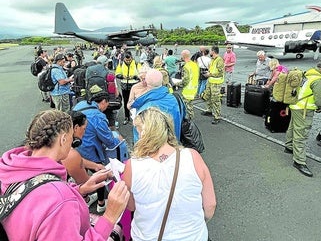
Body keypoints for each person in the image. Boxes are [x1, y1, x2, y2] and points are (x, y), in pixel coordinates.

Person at [0, 109, 130, 240]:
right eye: (71, 138)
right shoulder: (60, 200)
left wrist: (80, 190)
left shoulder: (12, 167)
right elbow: (54, 202)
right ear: (63, 139)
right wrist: (110, 216)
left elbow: (34, 200)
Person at [123, 107, 216, 241]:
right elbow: (210, 205)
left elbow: (131, 206)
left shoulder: (132, 165)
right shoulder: (193, 157)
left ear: (144, 133)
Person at [73, 87, 128, 213]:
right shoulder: (98, 116)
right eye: (107, 104)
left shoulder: (81, 104)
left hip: (76, 148)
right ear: (103, 101)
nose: (106, 107)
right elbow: (108, 140)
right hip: (91, 151)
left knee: (81, 174)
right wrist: (119, 139)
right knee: (100, 175)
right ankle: (101, 203)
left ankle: (85, 198)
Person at [284, 57, 321, 177]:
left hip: (295, 104)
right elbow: (320, 100)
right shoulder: (319, 80)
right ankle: (299, 161)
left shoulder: (309, 73)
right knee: (301, 134)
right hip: (304, 109)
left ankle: (289, 146)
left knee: (293, 127)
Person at [130, 69, 183, 142]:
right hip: (174, 145)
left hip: (155, 151)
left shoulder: (144, 110)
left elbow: (139, 140)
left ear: (146, 82)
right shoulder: (176, 98)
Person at [201, 45, 225, 125]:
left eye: (211, 51)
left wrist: (210, 74)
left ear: (213, 51)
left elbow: (220, 73)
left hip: (216, 82)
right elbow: (211, 69)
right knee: (207, 96)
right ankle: (209, 110)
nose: (210, 52)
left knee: (215, 99)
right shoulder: (212, 60)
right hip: (210, 81)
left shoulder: (219, 60)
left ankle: (217, 116)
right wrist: (207, 73)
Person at [115, 51, 140, 125]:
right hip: (124, 86)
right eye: (126, 60)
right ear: (124, 59)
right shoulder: (121, 64)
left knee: (135, 102)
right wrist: (122, 76)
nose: (128, 61)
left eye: (130, 60)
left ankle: (136, 117)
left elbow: (141, 74)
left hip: (134, 86)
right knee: (126, 102)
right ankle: (127, 117)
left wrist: (135, 77)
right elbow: (117, 74)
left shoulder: (136, 63)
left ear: (132, 58)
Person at [179, 49, 199, 119]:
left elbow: (185, 80)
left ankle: (190, 122)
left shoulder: (186, 66)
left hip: (188, 90)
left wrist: (179, 83)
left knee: (187, 108)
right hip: (194, 88)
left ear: (183, 56)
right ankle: (191, 120)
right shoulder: (194, 65)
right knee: (190, 106)